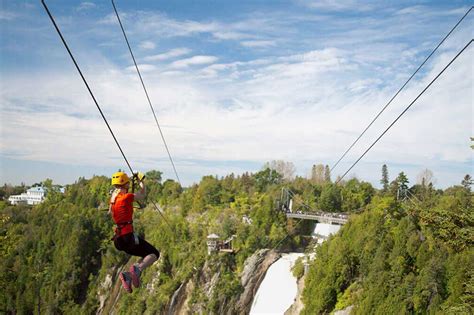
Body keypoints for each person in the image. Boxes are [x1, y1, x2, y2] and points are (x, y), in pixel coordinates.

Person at [109, 171, 160, 293]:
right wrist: (141, 181)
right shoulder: (126, 197)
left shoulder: (113, 200)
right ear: (126, 184)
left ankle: (127, 276)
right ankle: (136, 271)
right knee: (154, 254)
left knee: (145, 255)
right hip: (128, 237)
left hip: (118, 240)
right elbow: (142, 194)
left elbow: (112, 211)